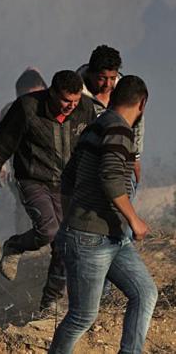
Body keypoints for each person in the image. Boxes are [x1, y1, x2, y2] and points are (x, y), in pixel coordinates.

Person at [49, 76, 157, 353]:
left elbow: (69, 177)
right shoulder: (119, 130)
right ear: (142, 104)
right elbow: (110, 178)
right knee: (82, 316)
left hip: (110, 236)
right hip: (91, 239)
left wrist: (71, 218)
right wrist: (134, 219)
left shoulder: (96, 127)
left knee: (144, 292)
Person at [0, 70, 96, 312]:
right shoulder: (27, 108)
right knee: (49, 230)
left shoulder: (86, 108)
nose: (70, 106)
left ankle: (51, 301)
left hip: (69, 183)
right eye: (66, 101)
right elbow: (0, 143)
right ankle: (14, 246)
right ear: (52, 93)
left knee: (66, 242)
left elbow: (95, 142)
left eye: (75, 101)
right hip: (33, 179)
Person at [78, 45, 144, 187]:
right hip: (86, 161)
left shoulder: (125, 91)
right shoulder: (75, 94)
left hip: (119, 159)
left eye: (112, 78)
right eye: (102, 78)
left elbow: (137, 122)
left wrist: (136, 157)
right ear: (90, 73)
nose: (108, 84)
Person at [0, 68, 48, 234]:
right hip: (22, 171)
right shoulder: (9, 111)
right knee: (25, 207)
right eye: (26, 97)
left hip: (52, 170)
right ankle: (26, 246)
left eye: (36, 96)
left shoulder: (57, 108)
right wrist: (2, 167)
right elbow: (1, 142)